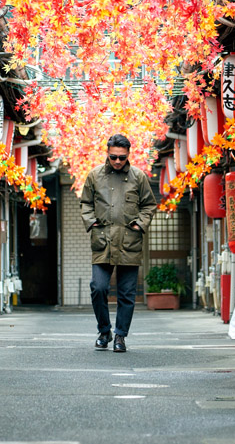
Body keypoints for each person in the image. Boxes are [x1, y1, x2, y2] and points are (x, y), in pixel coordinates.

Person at [80, 134, 156, 352]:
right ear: (107, 153)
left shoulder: (138, 177)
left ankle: (120, 336)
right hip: (102, 241)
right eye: (113, 157)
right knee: (98, 287)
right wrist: (92, 223)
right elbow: (85, 203)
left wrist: (139, 225)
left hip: (129, 242)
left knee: (127, 293)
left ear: (128, 155)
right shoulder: (95, 176)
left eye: (122, 158)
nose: (117, 162)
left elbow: (149, 205)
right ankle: (104, 330)